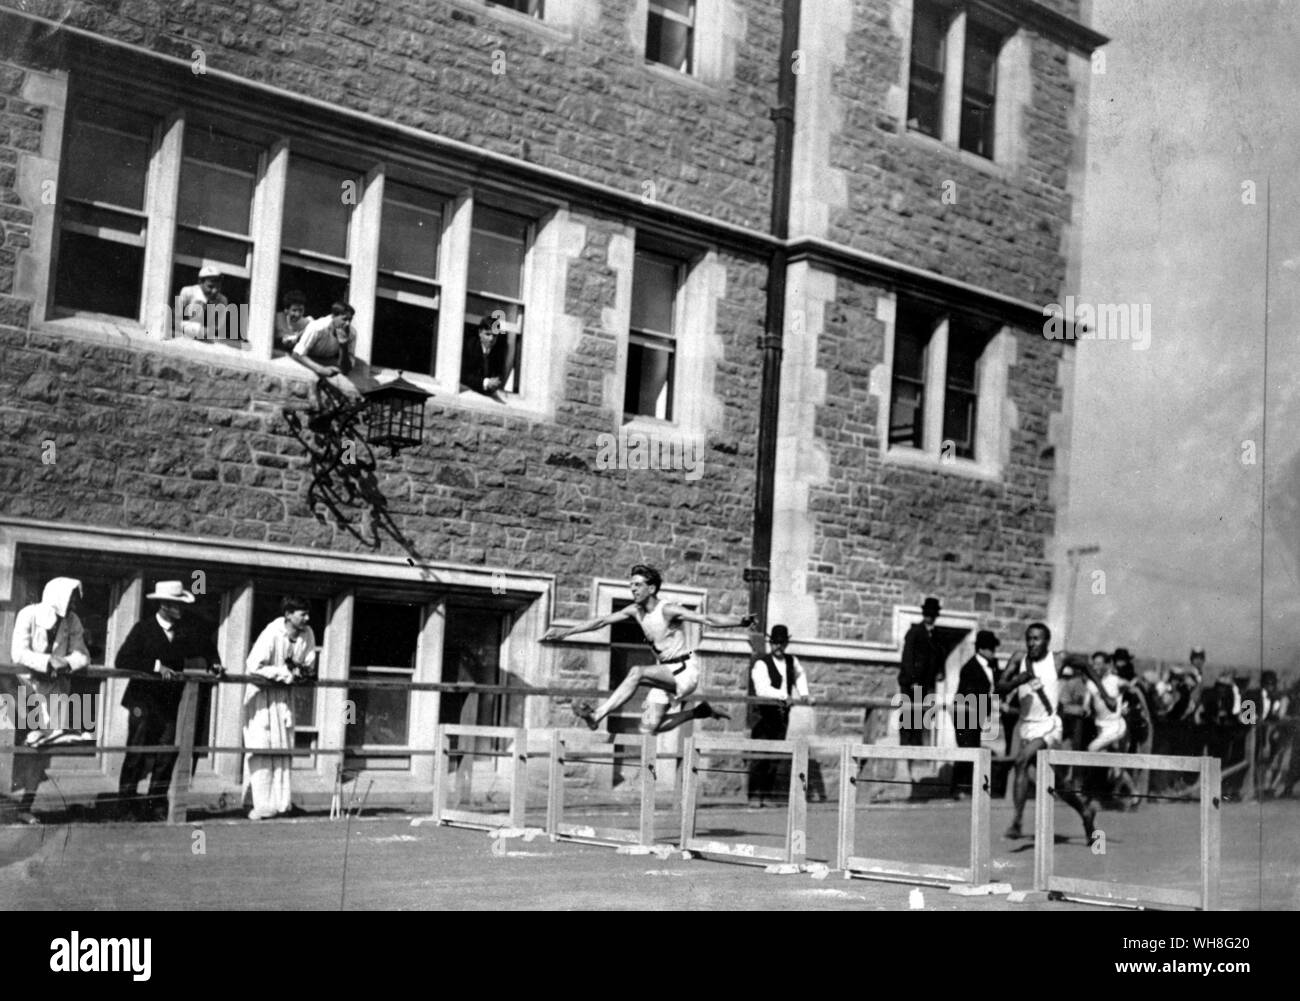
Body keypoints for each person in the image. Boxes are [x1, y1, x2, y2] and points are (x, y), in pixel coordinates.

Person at [542, 564, 753, 734]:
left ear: (651, 589)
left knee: (637, 672)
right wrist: (565, 632)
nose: (632, 589)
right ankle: (700, 711)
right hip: (664, 673)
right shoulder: (635, 610)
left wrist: (739, 622)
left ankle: (598, 714)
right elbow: (601, 621)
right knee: (649, 728)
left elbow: (706, 618)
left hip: (685, 670)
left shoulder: (668, 610)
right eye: (631, 585)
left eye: (638, 585)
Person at [115, 581, 223, 821]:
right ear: (163, 605)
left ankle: (154, 804)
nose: (180, 609)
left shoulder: (185, 630)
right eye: (176, 605)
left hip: (170, 702)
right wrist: (156, 666)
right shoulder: (143, 629)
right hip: (142, 701)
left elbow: (207, 647)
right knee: (137, 752)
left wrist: (214, 662)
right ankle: (126, 806)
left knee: (166, 754)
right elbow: (122, 659)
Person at [998, 622, 1107, 842]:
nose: (1031, 643)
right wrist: (1015, 682)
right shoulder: (1019, 658)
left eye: (1037, 638)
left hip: (1049, 725)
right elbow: (999, 687)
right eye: (1029, 638)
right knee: (1054, 782)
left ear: (1047, 641)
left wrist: (1105, 694)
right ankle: (1084, 811)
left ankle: (1017, 822)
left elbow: (1085, 665)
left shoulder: (1057, 659)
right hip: (1027, 724)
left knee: (1022, 760)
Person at [7, 577, 91, 823]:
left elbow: (82, 653)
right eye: (71, 596)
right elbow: (18, 652)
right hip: (22, 688)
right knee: (14, 743)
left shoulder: (72, 620)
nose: (74, 602)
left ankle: (25, 806)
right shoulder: (28, 615)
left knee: (41, 753)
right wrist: (46, 662)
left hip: (53, 691)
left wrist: (67, 662)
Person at [243, 596, 316, 820]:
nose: (307, 618)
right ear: (288, 614)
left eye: (307, 613)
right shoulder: (271, 633)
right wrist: (283, 674)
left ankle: (282, 804)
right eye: (302, 614)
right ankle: (259, 804)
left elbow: (308, 663)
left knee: (283, 747)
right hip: (262, 697)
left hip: (284, 697)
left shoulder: (308, 634)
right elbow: (253, 666)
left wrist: (300, 673)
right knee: (262, 746)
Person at [746, 624, 812, 807]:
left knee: (775, 755)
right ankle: (754, 796)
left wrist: (804, 693)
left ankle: (767, 796)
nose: (778, 646)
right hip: (763, 716)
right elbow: (762, 689)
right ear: (770, 643)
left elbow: (800, 676)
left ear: (787, 643)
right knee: (760, 755)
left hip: (782, 716)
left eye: (782, 643)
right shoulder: (761, 663)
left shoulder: (792, 661)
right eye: (775, 643)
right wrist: (784, 696)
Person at [953, 629, 999, 794]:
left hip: (978, 714)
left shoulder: (993, 665)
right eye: (991, 648)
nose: (994, 652)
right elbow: (969, 695)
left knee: (973, 748)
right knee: (967, 750)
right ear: (981, 649)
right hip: (965, 714)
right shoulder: (970, 668)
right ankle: (957, 788)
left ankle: (966, 788)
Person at [896, 597, 945, 747]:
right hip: (912, 683)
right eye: (927, 614)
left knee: (922, 716)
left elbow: (940, 655)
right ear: (924, 615)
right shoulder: (915, 632)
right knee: (909, 715)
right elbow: (908, 657)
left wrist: (940, 671)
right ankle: (905, 747)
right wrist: (912, 680)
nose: (929, 617)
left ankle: (916, 748)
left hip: (926, 683)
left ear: (935, 616)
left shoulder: (937, 635)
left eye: (932, 615)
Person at [293, 301, 357, 378]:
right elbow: (297, 354)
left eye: (350, 320)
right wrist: (321, 369)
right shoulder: (318, 326)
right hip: (307, 357)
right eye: (344, 319)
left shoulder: (351, 333)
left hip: (326, 360)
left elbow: (346, 369)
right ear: (333, 316)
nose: (347, 323)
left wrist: (343, 345)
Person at [460, 310, 516, 398]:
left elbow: (499, 375)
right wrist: (485, 383)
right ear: (480, 333)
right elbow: (463, 375)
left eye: (494, 336)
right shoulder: (469, 347)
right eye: (487, 334)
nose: (491, 339)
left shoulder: (498, 352)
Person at [176, 265, 230, 340]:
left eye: (218, 287)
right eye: (210, 286)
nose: (215, 291)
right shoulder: (187, 292)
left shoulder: (222, 301)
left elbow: (219, 326)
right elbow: (174, 320)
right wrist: (196, 330)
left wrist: (209, 331)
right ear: (200, 282)